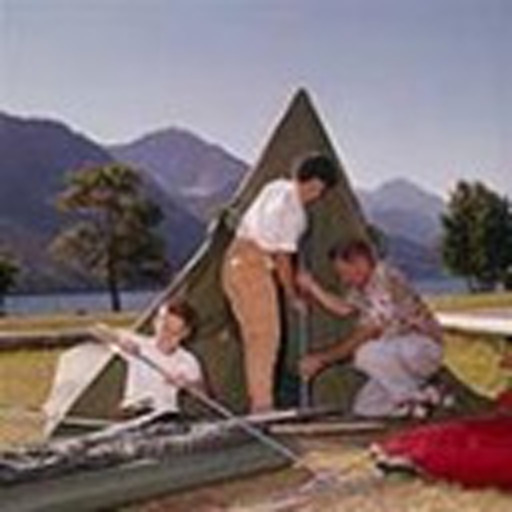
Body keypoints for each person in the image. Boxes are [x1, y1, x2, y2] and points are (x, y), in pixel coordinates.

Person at [222, 154, 339, 413]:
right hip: (254, 265)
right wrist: (292, 296)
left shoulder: (275, 186)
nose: (317, 196)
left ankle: (260, 403)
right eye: (319, 189)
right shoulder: (294, 209)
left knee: (255, 338)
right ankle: (262, 408)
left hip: (234, 260)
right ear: (312, 183)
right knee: (266, 339)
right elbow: (283, 259)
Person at [298, 240, 444, 418]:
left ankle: (413, 398)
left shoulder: (384, 278)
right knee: (366, 408)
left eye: (345, 272)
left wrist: (323, 359)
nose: (344, 279)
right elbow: (344, 308)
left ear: (360, 262)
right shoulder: (362, 286)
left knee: (365, 353)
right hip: (397, 359)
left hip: (422, 350)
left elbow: (371, 330)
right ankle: (425, 395)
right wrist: (313, 287)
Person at [95, 301, 206, 417]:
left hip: (166, 415)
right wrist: (119, 340)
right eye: (165, 328)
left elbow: (202, 394)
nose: (167, 336)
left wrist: (188, 384)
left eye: (175, 333)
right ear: (156, 323)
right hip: (134, 412)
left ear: (185, 333)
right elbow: (97, 330)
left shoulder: (188, 360)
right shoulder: (140, 344)